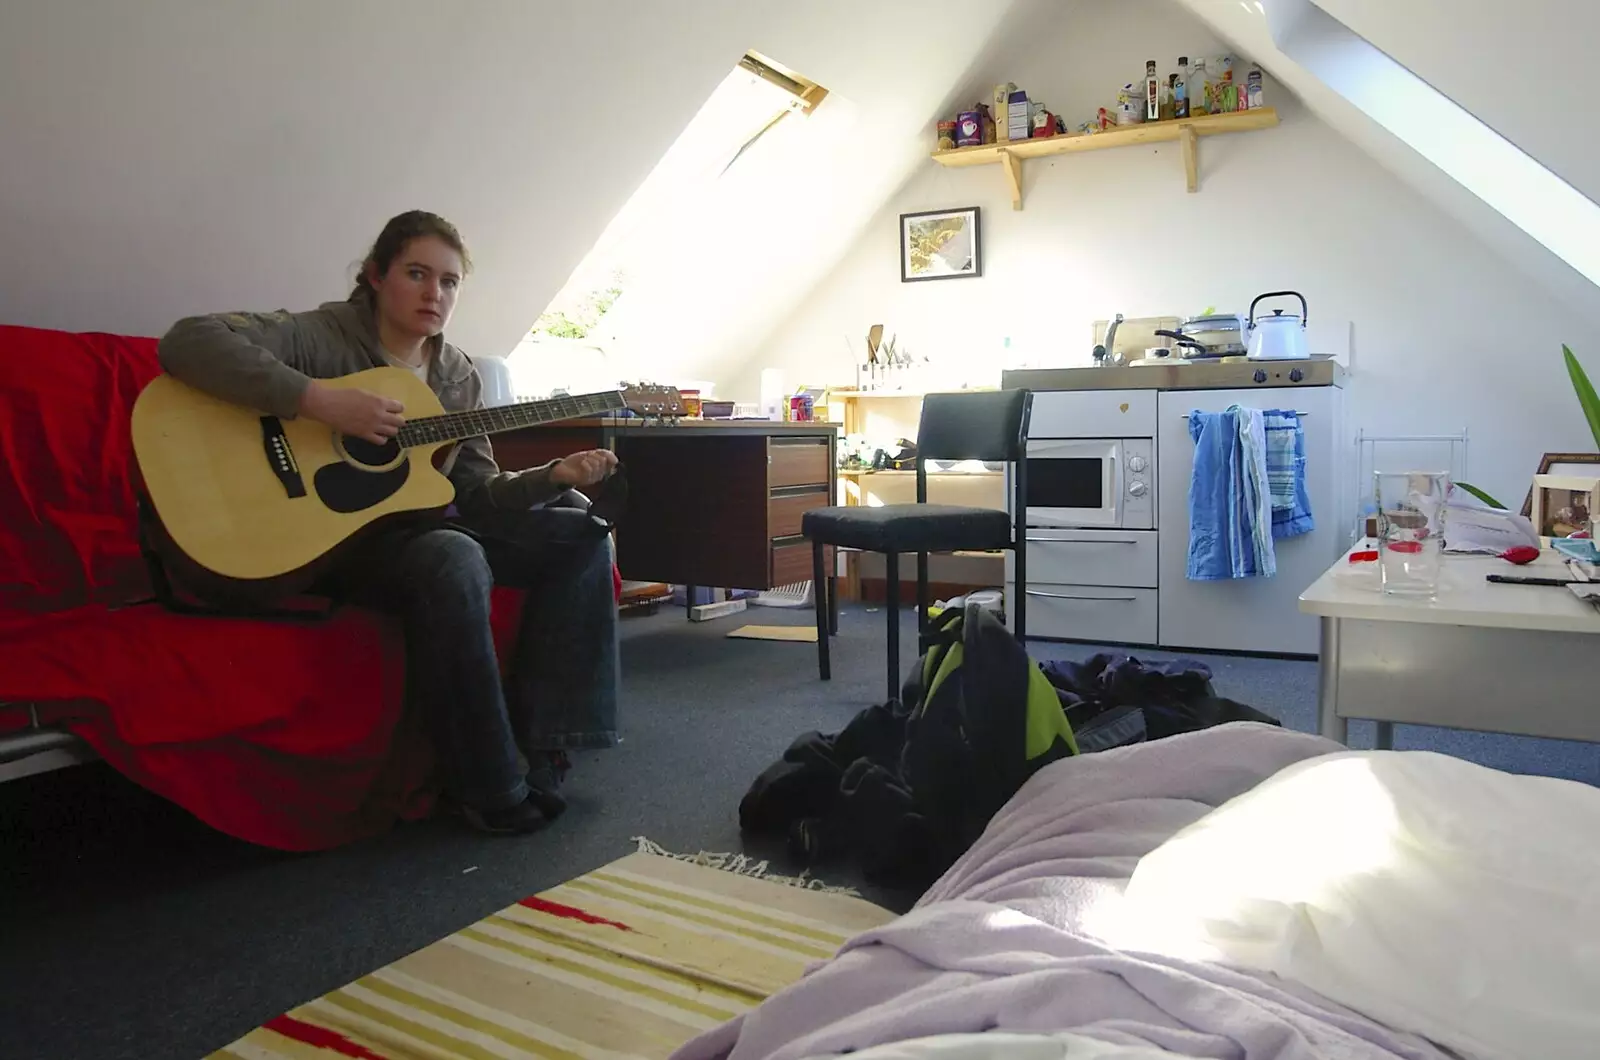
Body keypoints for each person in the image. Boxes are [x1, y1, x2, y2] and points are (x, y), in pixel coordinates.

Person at [158, 210, 620, 835]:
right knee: (454, 557)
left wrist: (552, 477)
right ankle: (488, 788)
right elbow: (188, 340)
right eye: (417, 274)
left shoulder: (457, 376)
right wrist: (318, 400)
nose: (435, 294)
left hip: (402, 527)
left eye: (450, 282)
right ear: (376, 276)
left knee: (580, 529)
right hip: (324, 540)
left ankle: (551, 747)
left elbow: (478, 496)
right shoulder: (325, 336)